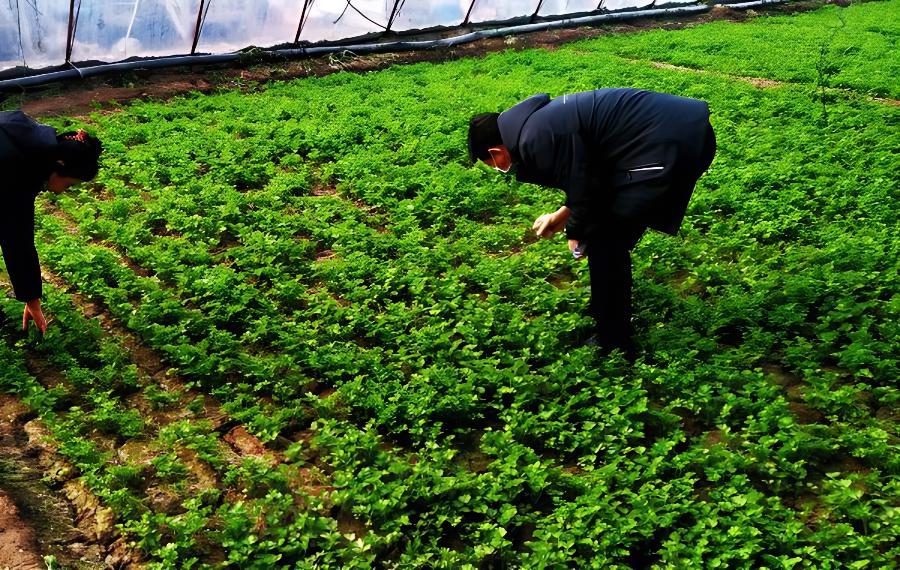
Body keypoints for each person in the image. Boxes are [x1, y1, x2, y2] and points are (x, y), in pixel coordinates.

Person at [468, 88, 716, 355]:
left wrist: (575, 231)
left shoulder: (534, 138)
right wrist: (563, 216)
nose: (497, 168)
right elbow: (589, 174)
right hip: (673, 133)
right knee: (603, 232)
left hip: (670, 142)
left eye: (492, 163)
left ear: (496, 151)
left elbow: (586, 189)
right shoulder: (535, 126)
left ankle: (614, 341)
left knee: (606, 241)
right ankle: (604, 309)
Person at [0, 110, 103, 333]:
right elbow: (17, 239)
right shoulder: (15, 167)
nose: (64, 192)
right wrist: (32, 300)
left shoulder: (31, 142)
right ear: (59, 166)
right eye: (69, 185)